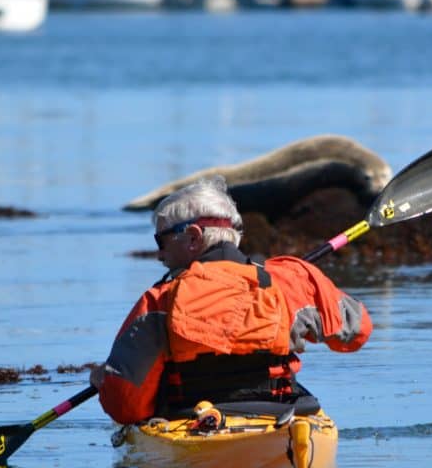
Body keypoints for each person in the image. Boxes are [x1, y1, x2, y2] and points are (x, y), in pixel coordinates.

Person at [90, 176, 372, 424]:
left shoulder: (157, 302)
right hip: (282, 419)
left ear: (192, 238)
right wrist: (309, 287)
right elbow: (357, 333)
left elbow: (127, 406)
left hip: (191, 422)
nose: (160, 255)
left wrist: (104, 380)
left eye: (161, 241)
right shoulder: (290, 279)